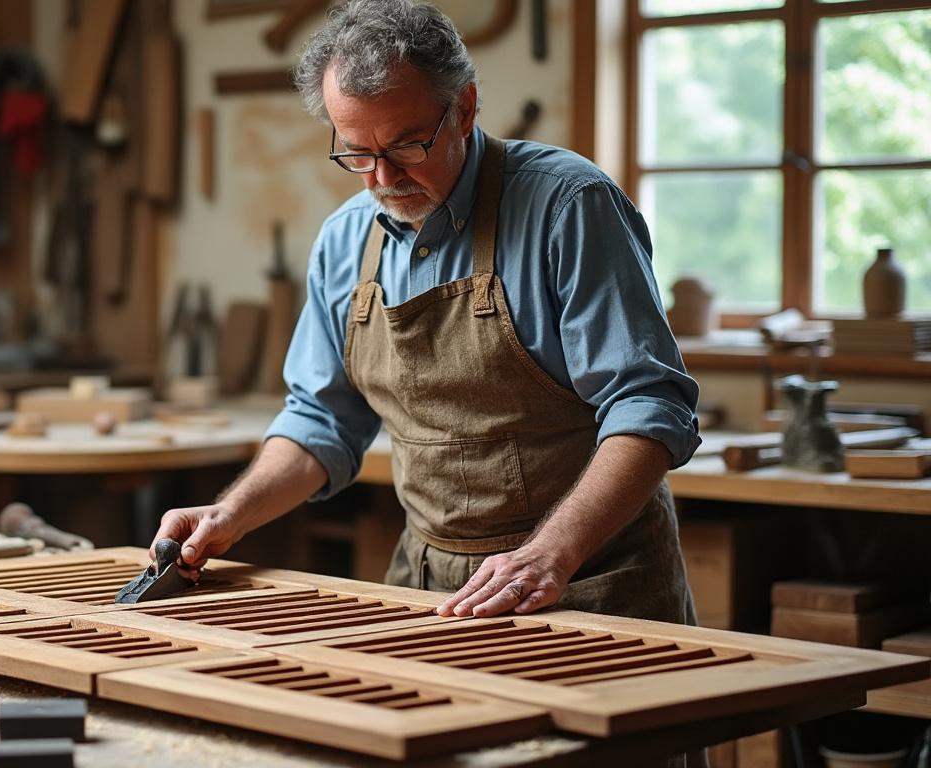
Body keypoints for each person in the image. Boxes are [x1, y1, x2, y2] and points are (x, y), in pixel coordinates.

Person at [153, 0, 701, 625]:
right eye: (357, 152)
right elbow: (320, 419)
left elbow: (649, 405)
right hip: (431, 587)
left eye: (409, 145)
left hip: (590, 577)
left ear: (464, 108)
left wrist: (552, 552)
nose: (383, 177)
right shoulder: (345, 240)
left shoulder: (568, 206)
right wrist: (232, 513)